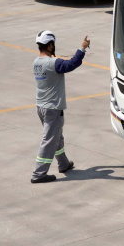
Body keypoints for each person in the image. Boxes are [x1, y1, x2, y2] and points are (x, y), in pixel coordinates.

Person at [31, 30, 90, 184]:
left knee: (57, 137)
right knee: (49, 140)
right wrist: (82, 48)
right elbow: (72, 63)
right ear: (50, 45)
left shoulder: (36, 62)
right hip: (52, 109)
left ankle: (63, 164)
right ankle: (39, 173)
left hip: (41, 107)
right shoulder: (53, 63)